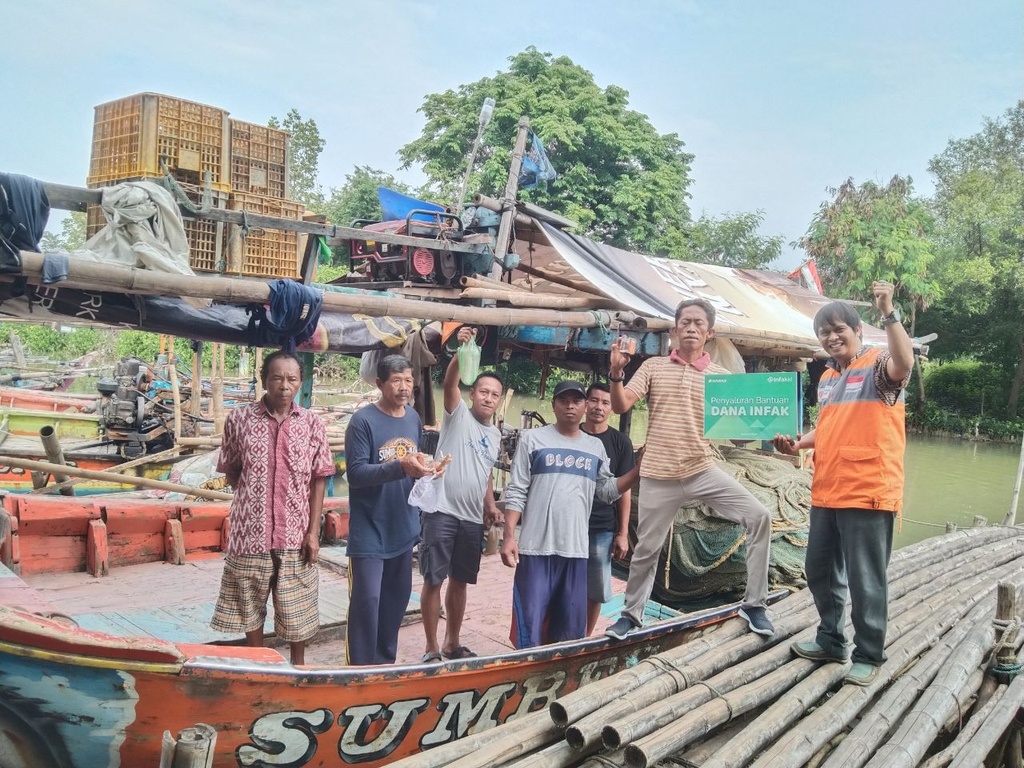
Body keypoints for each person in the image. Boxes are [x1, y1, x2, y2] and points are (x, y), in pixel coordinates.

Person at [604, 298, 775, 641]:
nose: (691, 328)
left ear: (709, 333)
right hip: (658, 474)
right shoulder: (653, 367)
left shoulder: (721, 379)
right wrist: (617, 373)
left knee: (759, 517)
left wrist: (770, 424)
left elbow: (740, 436)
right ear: (675, 329)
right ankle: (631, 616)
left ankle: (755, 604)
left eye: (699, 323)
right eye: (685, 322)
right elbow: (621, 405)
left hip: (702, 470)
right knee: (647, 550)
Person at [773, 280, 913, 687]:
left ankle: (869, 653)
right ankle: (831, 640)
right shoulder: (829, 378)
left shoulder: (878, 366)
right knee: (819, 570)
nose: (832, 337)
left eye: (839, 329)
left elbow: (904, 363)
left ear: (857, 330)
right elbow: (830, 427)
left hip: (868, 490)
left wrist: (888, 311)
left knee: (866, 578)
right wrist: (798, 443)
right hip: (827, 489)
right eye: (824, 332)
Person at [211, 350, 335, 666]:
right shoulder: (239, 419)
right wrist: (255, 501)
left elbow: (319, 478)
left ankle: (298, 666)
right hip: (249, 532)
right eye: (277, 378)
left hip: (295, 532)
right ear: (264, 379)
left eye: (292, 379)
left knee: (297, 605)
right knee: (249, 603)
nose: (284, 385)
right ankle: (259, 662)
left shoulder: (312, 423)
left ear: (301, 382)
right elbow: (232, 471)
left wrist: (313, 533)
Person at [501, 380, 641, 649]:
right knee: (529, 624)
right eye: (563, 400)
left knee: (568, 630)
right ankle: (527, 666)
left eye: (576, 401)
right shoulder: (533, 439)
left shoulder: (595, 448)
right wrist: (508, 537)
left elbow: (607, 491)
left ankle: (559, 669)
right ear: (553, 405)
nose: (570, 406)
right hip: (535, 549)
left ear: (584, 406)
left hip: (576, 551)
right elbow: (517, 490)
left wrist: (637, 471)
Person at [419, 327, 504, 663]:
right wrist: (460, 353)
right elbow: (450, 383)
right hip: (442, 510)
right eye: (483, 391)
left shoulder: (495, 435)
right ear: (472, 394)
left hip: (471, 518)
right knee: (433, 578)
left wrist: (490, 505)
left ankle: (452, 643)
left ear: (499, 400)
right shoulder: (458, 416)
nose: (488, 398)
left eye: (494, 394)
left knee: (460, 581)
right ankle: (430, 647)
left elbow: (484, 473)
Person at [344, 354, 434, 665]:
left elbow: (414, 464)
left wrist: (427, 470)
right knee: (367, 601)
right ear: (380, 383)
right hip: (369, 529)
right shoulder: (362, 421)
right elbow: (356, 474)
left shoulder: (413, 418)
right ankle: (359, 671)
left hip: (403, 527)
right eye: (396, 381)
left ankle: (384, 666)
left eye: (408, 380)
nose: (404, 387)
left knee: (395, 603)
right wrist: (400, 467)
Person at [580, 382, 635, 636]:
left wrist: (622, 533)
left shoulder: (620, 442)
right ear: (585, 404)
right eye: (594, 400)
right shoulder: (571, 433)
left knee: (595, 589)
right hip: (568, 523)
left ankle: (585, 636)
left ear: (613, 408)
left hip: (601, 525)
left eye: (605, 402)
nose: (598, 407)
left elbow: (624, 490)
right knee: (564, 582)